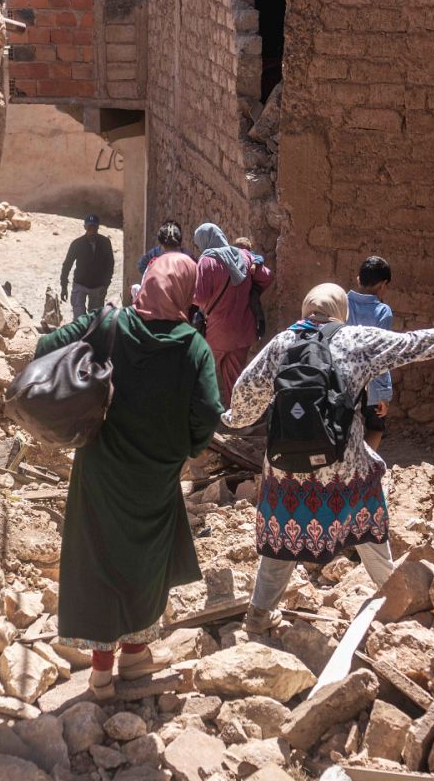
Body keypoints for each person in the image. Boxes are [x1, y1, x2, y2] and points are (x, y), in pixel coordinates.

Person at [222, 284, 434, 634]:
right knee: (369, 531)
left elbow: (244, 398)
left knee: (280, 543)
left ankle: (259, 614)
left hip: (286, 469)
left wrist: (231, 420)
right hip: (345, 467)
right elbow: (414, 345)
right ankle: (401, 604)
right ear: (342, 310)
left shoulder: (281, 343)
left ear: (307, 309)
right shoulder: (358, 341)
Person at [35, 253, 225, 698]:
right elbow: (207, 412)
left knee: (99, 558)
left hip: (101, 464)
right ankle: (135, 653)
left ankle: (104, 670)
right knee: (146, 560)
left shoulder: (111, 325)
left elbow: (46, 349)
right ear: (186, 291)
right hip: (157, 473)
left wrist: (88, 379)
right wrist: (187, 448)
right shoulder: (192, 345)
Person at [192, 223, 274, 409]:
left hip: (218, 333)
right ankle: (238, 418)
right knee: (235, 378)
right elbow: (267, 276)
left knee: (201, 373)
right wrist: (251, 291)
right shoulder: (243, 255)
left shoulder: (207, 261)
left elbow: (200, 297)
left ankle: (199, 415)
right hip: (243, 329)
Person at [346, 256, 395, 451]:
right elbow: (381, 356)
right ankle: (365, 470)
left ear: (359, 279)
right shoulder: (383, 312)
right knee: (375, 426)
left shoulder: (342, 303)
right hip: (370, 383)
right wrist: (383, 394)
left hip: (343, 380)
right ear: (383, 285)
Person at [61, 214, 115, 318]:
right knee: (79, 320)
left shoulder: (105, 243)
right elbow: (67, 264)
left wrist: (106, 283)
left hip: (98, 287)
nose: (92, 230)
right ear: (85, 227)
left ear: (98, 227)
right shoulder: (77, 244)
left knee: (94, 320)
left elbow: (110, 264)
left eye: (94, 227)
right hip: (80, 285)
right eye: (89, 227)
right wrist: (64, 286)